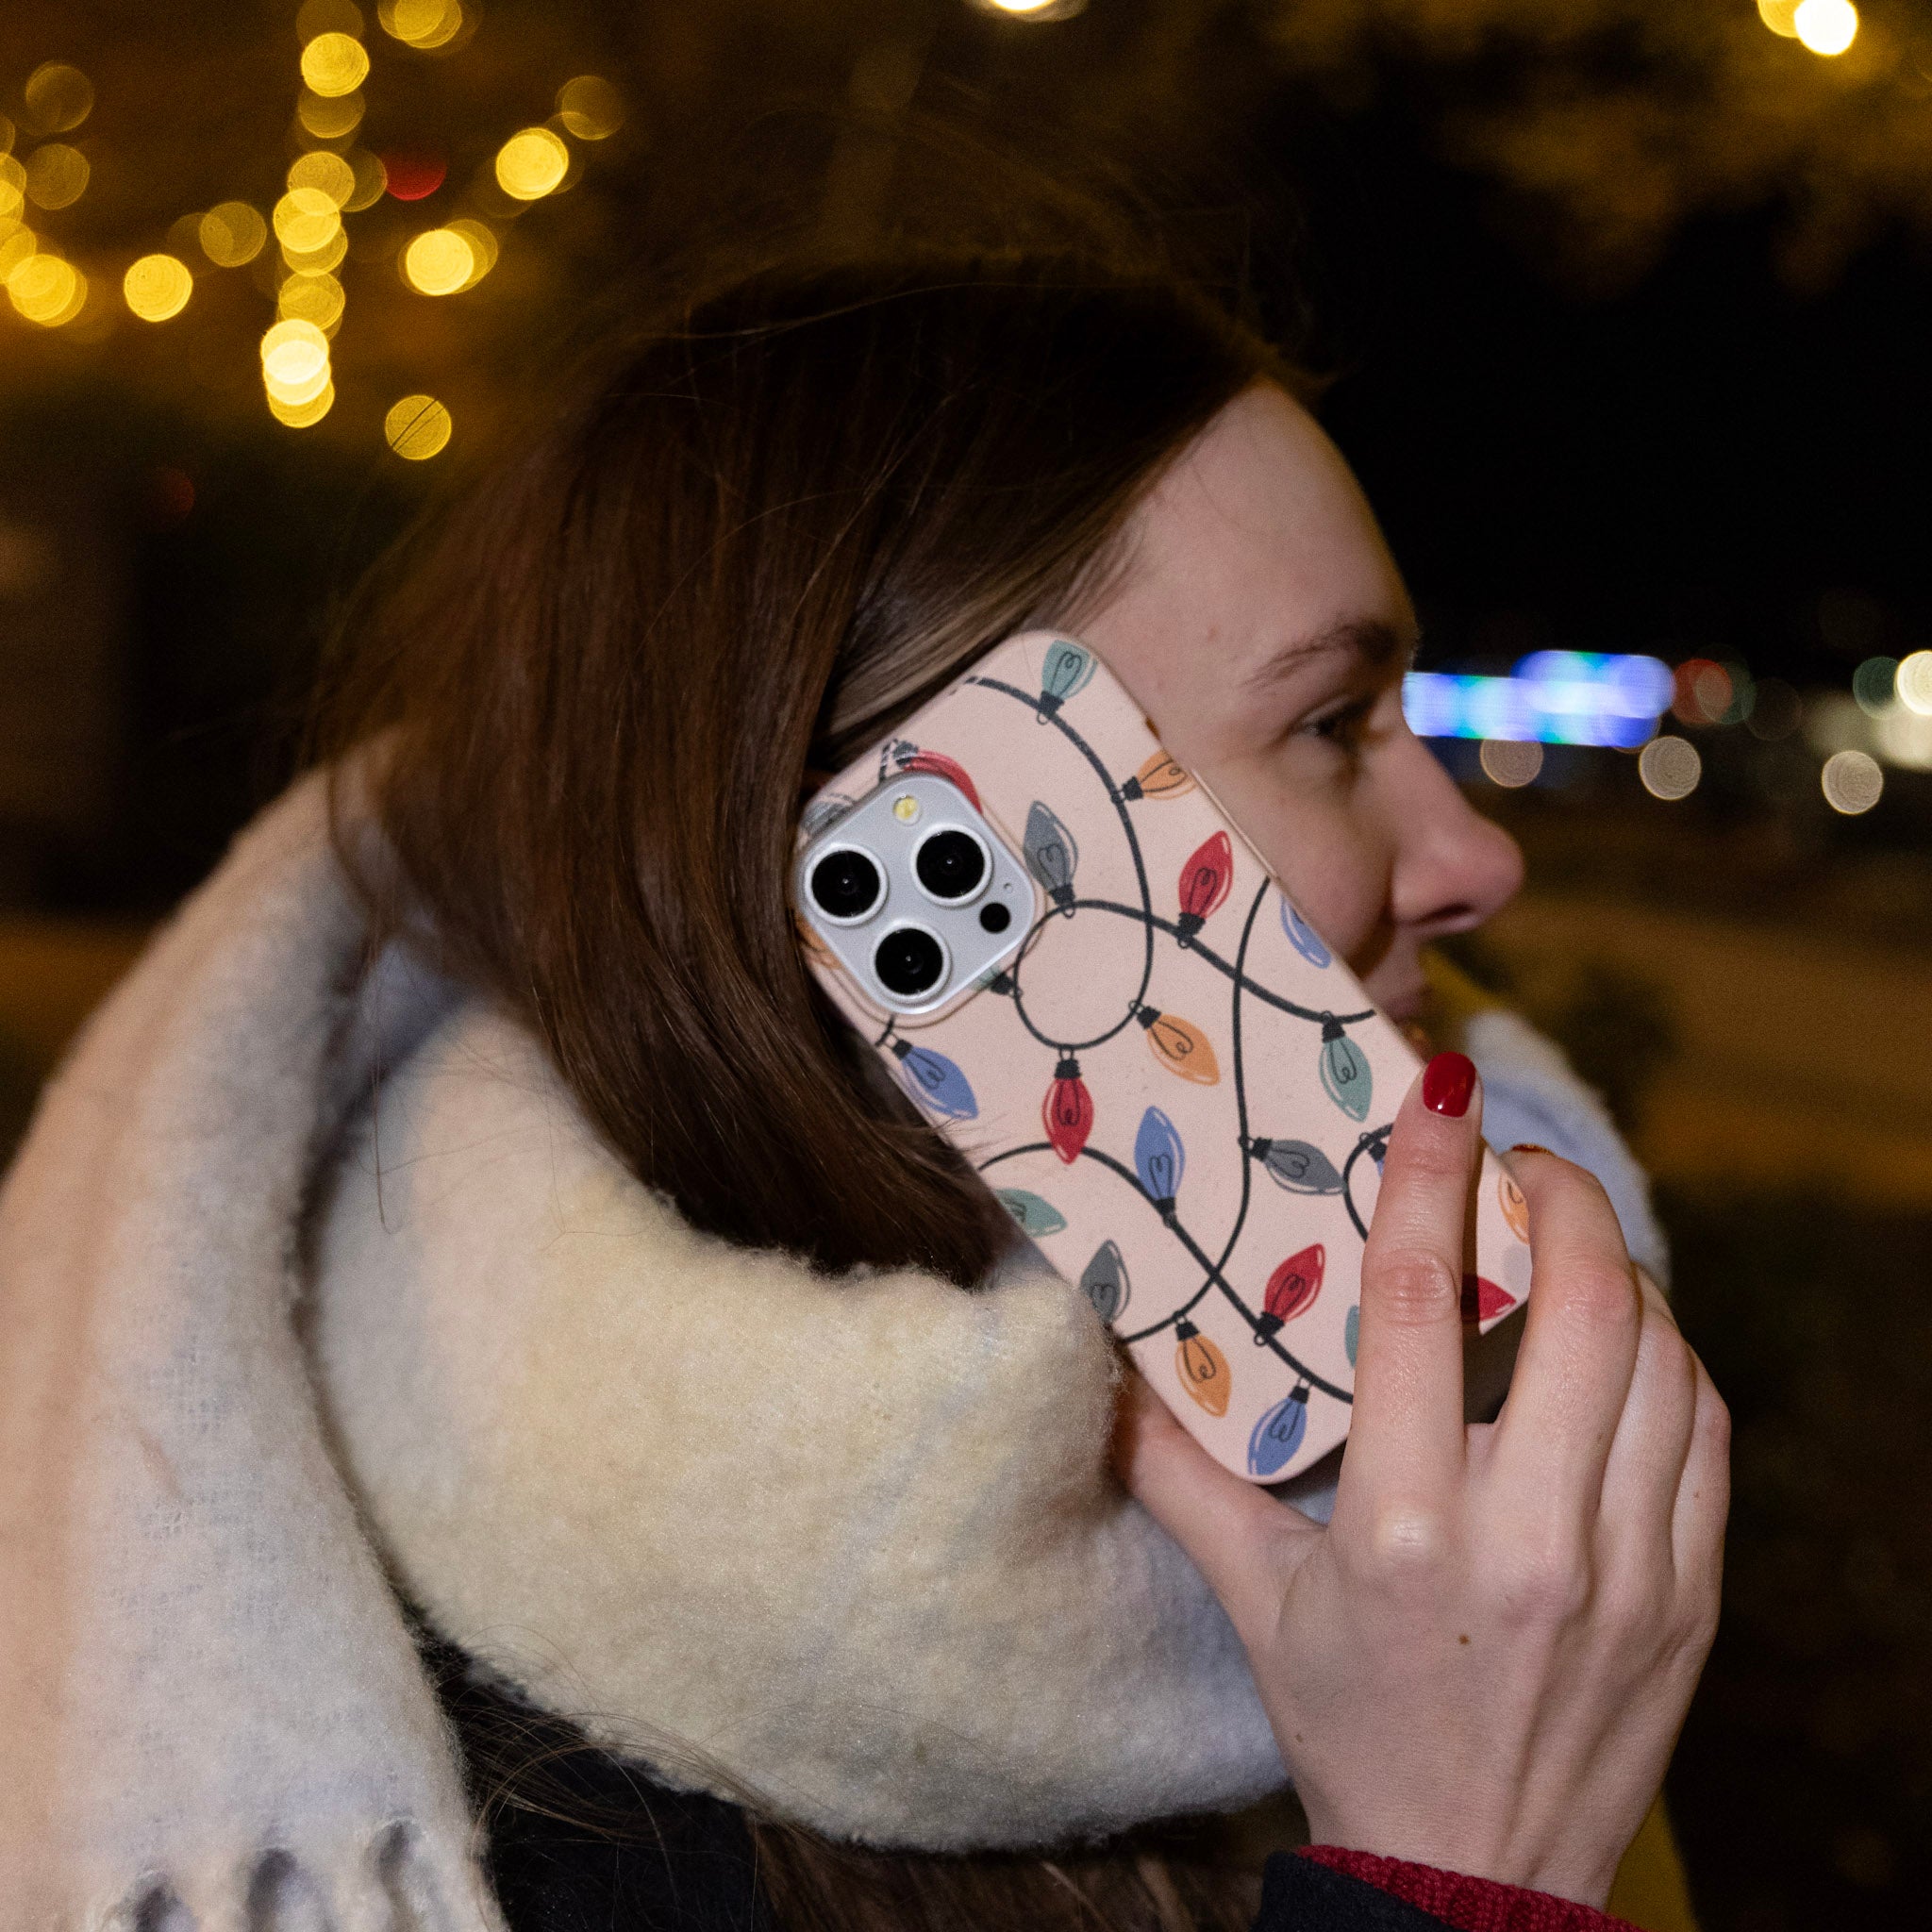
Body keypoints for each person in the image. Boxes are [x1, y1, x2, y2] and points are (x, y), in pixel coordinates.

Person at [0, 247, 1724, 1932]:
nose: (1475, 856)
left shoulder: (1470, 1541)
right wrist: (1456, 1869)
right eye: (1336, 719)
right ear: (900, 847)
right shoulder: (495, 1824)